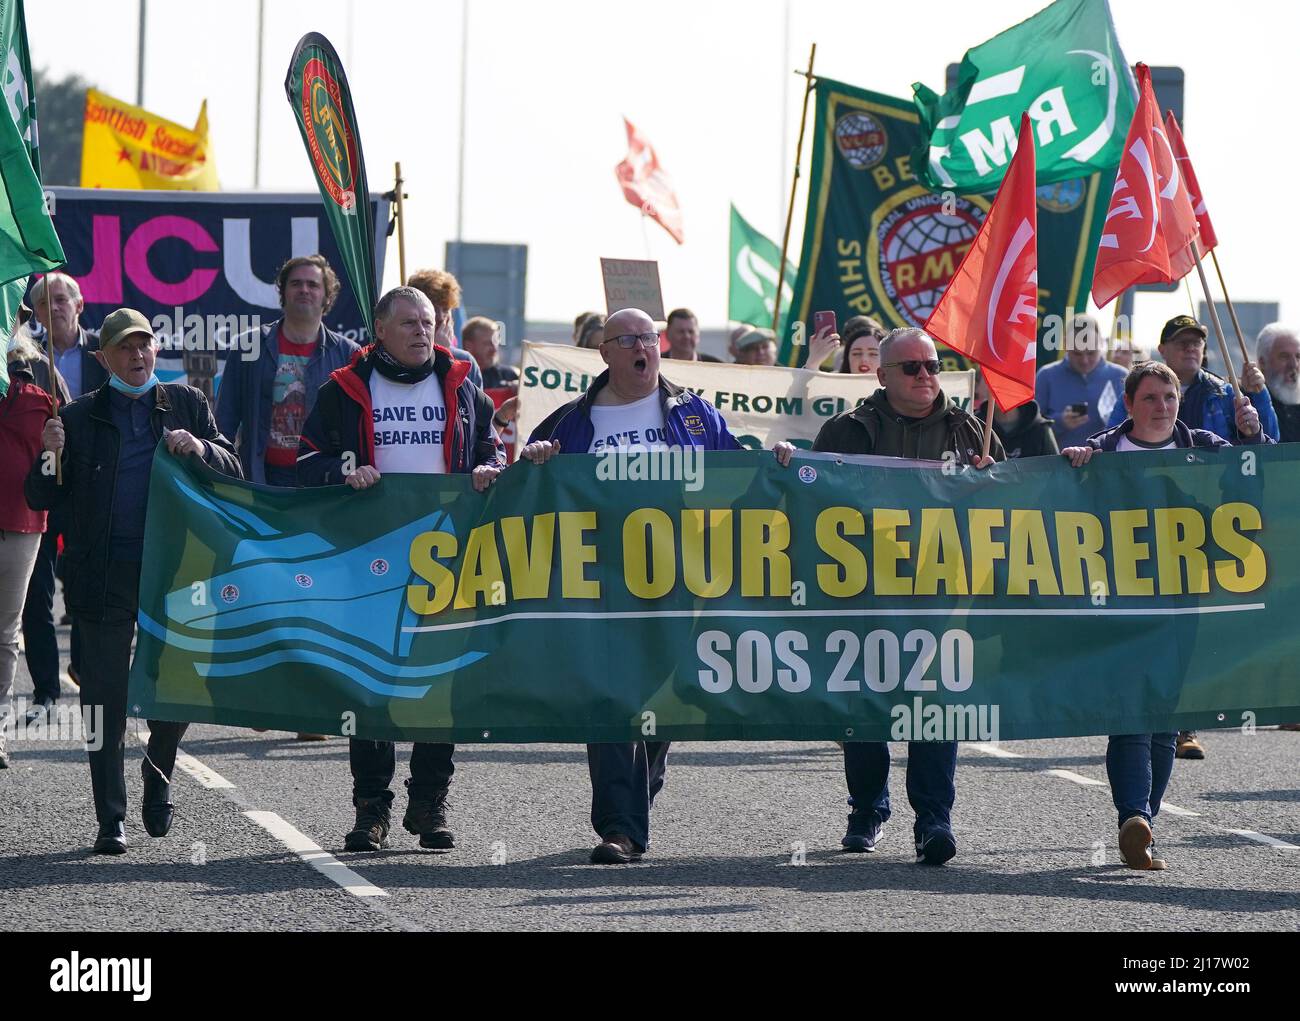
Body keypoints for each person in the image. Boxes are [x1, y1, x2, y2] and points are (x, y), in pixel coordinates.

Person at [519, 307, 740, 864]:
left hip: (680, 580)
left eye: (650, 337)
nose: (644, 346)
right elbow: (528, 484)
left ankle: (639, 788)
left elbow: (738, 476)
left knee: (666, 700)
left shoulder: (694, 416)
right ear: (606, 352)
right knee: (612, 698)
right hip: (601, 586)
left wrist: (779, 461)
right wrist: (534, 462)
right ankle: (620, 828)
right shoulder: (572, 422)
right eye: (630, 339)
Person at [774, 327, 1000, 866]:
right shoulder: (848, 431)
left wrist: (995, 480)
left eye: (932, 365)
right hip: (864, 590)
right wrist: (787, 462)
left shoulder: (972, 432)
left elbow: (1004, 511)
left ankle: (933, 821)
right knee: (864, 701)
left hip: (938, 593)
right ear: (882, 375)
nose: (926, 376)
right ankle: (867, 809)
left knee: (935, 706)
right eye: (912, 368)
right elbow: (811, 495)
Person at [25, 308, 242, 854]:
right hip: (102, 572)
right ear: (104, 358)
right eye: (125, 347)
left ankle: (158, 773)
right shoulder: (76, 418)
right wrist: (49, 453)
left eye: (144, 345)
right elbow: (41, 497)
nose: (138, 356)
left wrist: (204, 449)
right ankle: (109, 816)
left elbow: (234, 471)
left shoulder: (187, 403)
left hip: (176, 570)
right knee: (103, 698)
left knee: (178, 685)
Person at [297, 286, 505, 854]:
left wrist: (489, 467)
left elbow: (493, 451)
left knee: (440, 682)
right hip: (369, 559)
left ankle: (430, 803)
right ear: (381, 331)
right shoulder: (341, 391)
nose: (422, 331)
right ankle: (371, 811)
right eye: (409, 322)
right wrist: (348, 471)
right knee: (371, 685)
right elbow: (307, 460)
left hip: (446, 560)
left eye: (430, 322)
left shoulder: (464, 385)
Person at [1061, 361, 1267, 868]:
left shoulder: (1202, 446)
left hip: (1182, 600)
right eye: (1150, 398)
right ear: (1129, 404)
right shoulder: (1106, 450)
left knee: (1166, 717)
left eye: (1170, 398)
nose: (1162, 407)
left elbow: (1254, 485)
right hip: (1120, 601)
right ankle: (1134, 813)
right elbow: (1057, 498)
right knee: (1130, 709)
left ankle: (1143, 823)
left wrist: (1252, 436)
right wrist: (1072, 462)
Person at [1132, 315, 1280, 759]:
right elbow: (1116, 446)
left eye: (1196, 343)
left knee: (1189, 628)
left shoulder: (1225, 391)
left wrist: (1257, 402)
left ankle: (1184, 724)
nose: (1190, 350)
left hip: (1205, 524)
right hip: (1147, 526)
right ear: (1164, 350)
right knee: (1146, 628)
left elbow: (1264, 449)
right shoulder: (1144, 388)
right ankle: (1139, 716)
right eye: (1181, 344)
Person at [216, 255, 359, 487]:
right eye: (296, 283)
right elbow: (225, 420)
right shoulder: (249, 346)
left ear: (327, 297)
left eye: (313, 284)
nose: (304, 289)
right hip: (260, 480)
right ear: (283, 293)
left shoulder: (348, 354)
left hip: (322, 484)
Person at [24, 274, 95, 719]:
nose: (55, 307)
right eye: (44, 303)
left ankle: (86, 667)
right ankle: (46, 689)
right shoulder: (24, 361)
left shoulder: (107, 352)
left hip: (92, 484)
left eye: (61, 298)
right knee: (36, 591)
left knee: (89, 585)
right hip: (46, 485)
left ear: (79, 303)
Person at [0, 335, 57, 768]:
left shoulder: (43, 400)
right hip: (19, 526)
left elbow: (58, 468)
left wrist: (58, 447)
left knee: (5, 633)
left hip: (23, 524)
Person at [1035, 313, 1128, 448]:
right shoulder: (1046, 375)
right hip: (1058, 464)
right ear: (1066, 345)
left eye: (1091, 353)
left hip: (1108, 463)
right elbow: (1031, 427)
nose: (1084, 361)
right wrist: (1060, 422)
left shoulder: (1121, 376)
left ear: (1101, 343)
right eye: (1077, 353)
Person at [405, 268, 484, 389]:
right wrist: (437, 353)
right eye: (433, 309)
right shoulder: (400, 354)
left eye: (446, 309)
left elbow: (471, 406)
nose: (441, 317)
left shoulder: (465, 361)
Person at [974, 371, 1059, 459]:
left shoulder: (1040, 429)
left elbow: (1054, 469)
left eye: (1005, 381)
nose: (998, 388)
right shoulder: (975, 426)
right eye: (991, 379)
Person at [1255, 323, 1300, 442]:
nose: (1294, 365)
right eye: (1284, 357)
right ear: (1263, 362)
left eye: (1298, 356)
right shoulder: (1248, 403)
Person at [461, 316, 519, 390]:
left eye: (496, 342)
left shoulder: (509, 376)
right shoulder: (457, 378)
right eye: (487, 343)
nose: (494, 349)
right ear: (469, 346)